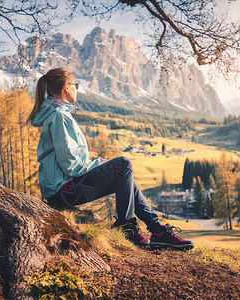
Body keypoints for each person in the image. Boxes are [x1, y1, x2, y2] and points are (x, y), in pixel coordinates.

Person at [27, 67, 193, 250]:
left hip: (62, 190)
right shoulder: (59, 117)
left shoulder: (57, 114)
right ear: (66, 87)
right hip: (63, 192)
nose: (76, 89)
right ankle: (126, 226)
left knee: (124, 176)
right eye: (76, 85)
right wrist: (99, 164)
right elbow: (71, 165)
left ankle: (157, 230)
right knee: (124, 164)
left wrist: (99, 166)